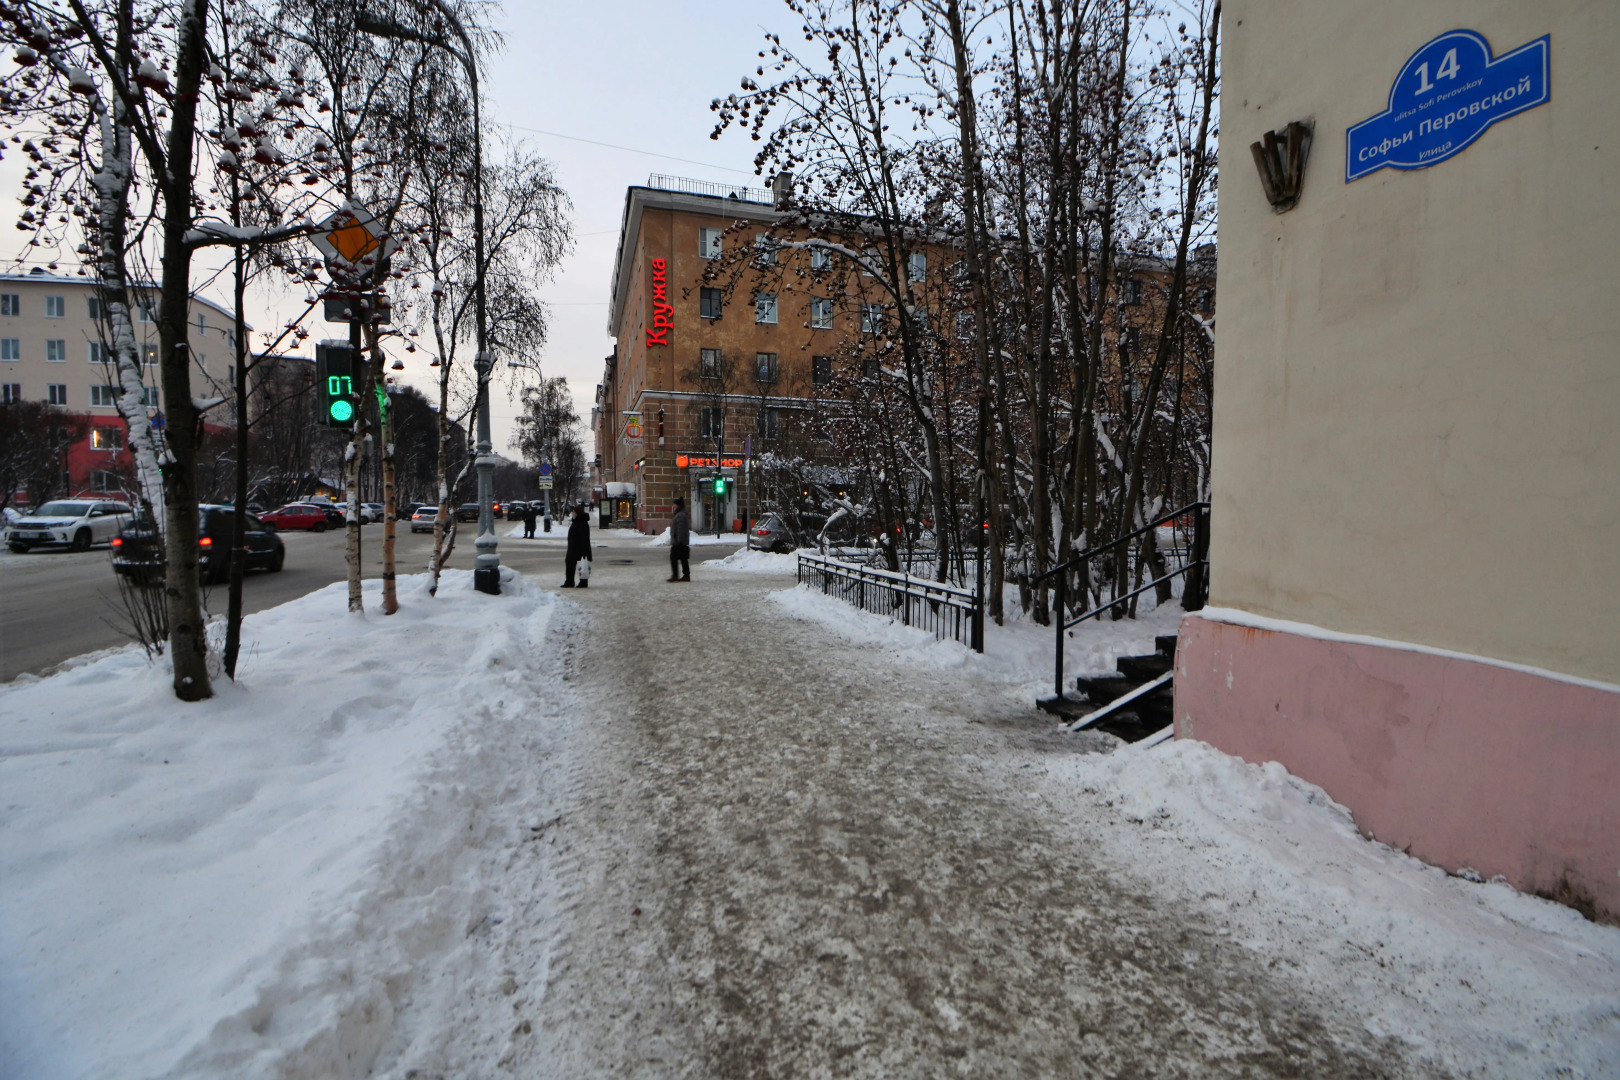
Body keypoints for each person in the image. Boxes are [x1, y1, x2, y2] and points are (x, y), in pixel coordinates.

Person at [563, 504, 591, 587]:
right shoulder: (577, 521)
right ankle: (570, 581)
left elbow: (583, 537)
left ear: (578, 513)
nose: (572, 513)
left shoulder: (582, 523)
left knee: (582, 564)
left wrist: (582, 549)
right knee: (570, 563)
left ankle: (582, 582)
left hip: (579, 548)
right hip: (573, 547)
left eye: (574, 512)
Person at [668, 497, 691, 582]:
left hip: (679, 541)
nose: (673, 506)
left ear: (678, 505)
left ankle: (676, 575)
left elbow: (681, 529)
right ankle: (686, 575)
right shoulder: (680, 514)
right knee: (683, 558)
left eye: (674, 504)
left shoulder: (680, 515)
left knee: (674, 557)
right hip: (680, 540)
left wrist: (679, 540)